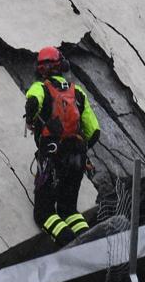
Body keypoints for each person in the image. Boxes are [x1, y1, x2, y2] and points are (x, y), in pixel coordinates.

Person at [25, 46, 101, 246]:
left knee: (44, 213)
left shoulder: (39, 87)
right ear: (63, 66)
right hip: (77, 157)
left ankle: (69, 246)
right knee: (69, 210)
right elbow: (94, 131)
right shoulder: (77, 92)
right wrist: (80, 148)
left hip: (51, 156)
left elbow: (32, 103)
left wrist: (33, 122)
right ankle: (90, 242)